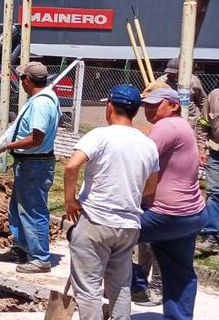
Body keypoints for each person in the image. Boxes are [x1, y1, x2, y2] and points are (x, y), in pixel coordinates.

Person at [65, 84, 159, 320]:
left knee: (88, 288)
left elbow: (72, 165)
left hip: (96, 221)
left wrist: (70, 200)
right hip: (128, 225)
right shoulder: (148, 145)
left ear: (109, 107)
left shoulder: (100, 135)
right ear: (136, 111)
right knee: (120, 286)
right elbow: (151, 187)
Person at [130, 87, 205, 319]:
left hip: (166, 215)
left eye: (155, 104)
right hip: (191, 214)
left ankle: (137, 286)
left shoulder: (167, 126)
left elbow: (139, 160)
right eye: (146, 105)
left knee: (104, 236)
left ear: (174, 105)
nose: (149, 109)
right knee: (180, 273)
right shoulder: (181, 127)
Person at [0, 61, 62, 274]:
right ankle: (21, 248)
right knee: (19, 208)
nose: (20, 82)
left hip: (35, 165)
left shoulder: (41, 104)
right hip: (29, 164)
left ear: (28, 80)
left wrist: (6, 146)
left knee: (33, 210)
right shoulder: (43, 99)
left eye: (21, 78)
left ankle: (40, 258)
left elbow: (36, 138)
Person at [198, 67, 219, 254]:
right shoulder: (214, 96)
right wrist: (202, 149)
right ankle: (211, 237)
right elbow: (204, 124)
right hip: (218, 154)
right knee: (214, 194)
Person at [152, 58, 207, 157]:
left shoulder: (193, 80)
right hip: (167, 122)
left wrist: (204, 119)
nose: (170, 74)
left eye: (174, 72)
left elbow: (202, 100)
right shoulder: (162, 81)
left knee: (186, 149)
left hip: (188, 121)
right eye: (169, 72)